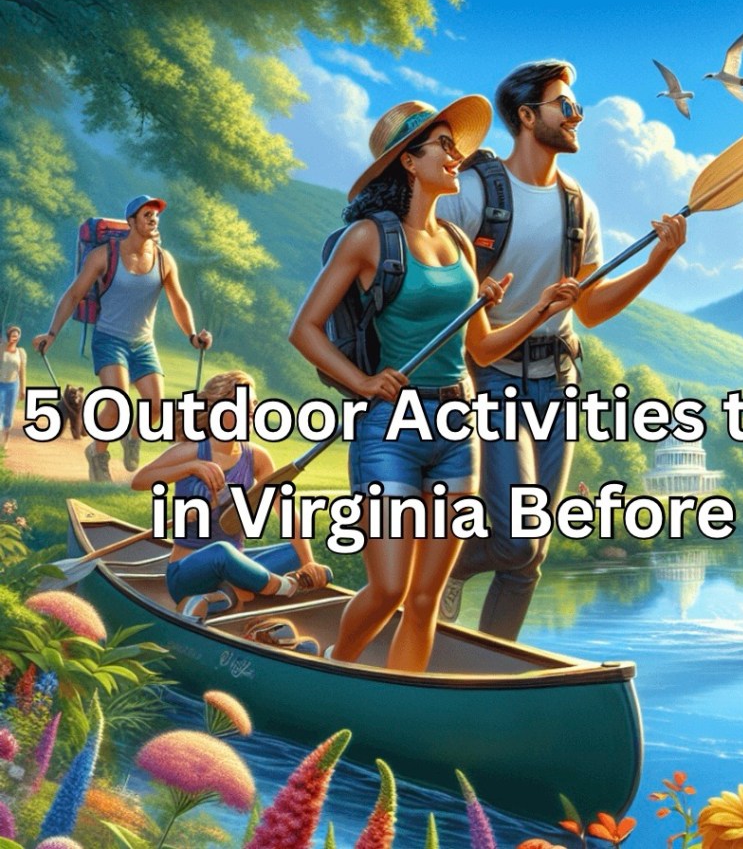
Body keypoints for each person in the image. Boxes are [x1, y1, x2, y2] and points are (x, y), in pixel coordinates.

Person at [289, 95, 579, 672]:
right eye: (443, 147)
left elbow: (481, 347)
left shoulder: (458, 242)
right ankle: (339, 669)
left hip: (456, 428)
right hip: (390, 430)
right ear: (408, 161)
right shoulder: (369, 238)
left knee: (424, 600)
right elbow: (305, 329)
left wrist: (540, 309)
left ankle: (398, 699)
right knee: (390, 587)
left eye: (454, 145)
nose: (456, 157)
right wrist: (363, 381)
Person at [435, 60, 687, 639]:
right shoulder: (468, 195)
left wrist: (658, 260)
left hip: (560, 380)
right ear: (527, 117)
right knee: (516, 537)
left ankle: (495, 663)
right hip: (492, 375)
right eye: (565, 106)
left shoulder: (579, 206)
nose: (577, 116)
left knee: (531, 553)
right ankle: (452, 562)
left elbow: (592, 309)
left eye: (577, 107)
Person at [33, 195, 213, 482]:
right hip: (109, 339)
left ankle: (132, 435)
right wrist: (52, 333)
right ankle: (98, 453)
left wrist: (192, 335)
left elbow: (178, 301)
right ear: (131, 221)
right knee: (117, 401)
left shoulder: (164, 260)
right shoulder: (104, 255)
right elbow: (74, 295)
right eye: (147, 215)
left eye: (156, 215)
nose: (153, 220)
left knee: (155, 406)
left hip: (143, 344)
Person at [131, 370, 331, 622]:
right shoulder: (191, 450)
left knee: (296, 554)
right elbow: (139, 481)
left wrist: (308, 563)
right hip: (187, 574)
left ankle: (227, 596)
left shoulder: (256, 457)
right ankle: (281, 587)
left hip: (233, 568)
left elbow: (287, 510)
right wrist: (192, 468)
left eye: (253, 405)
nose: (251, 412)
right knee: (222, 552)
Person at [0, 326, 27, 448]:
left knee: (9, 412)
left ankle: (5, 440)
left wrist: (22, 389)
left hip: (13, 385)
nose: (14, 338)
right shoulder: (1, 349)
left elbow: (22, 372)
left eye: (16, 335)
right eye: (12, 335)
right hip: (1, 383)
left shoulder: (21, 352)